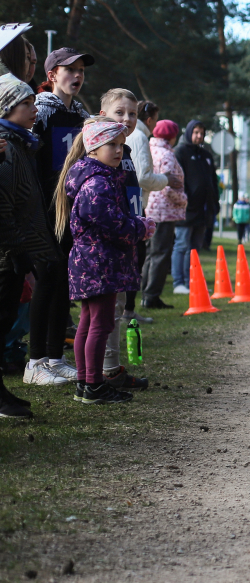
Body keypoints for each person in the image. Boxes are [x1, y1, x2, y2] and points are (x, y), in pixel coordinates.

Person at [55, 118, 154, 404]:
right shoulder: (97, 182)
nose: (118, 150)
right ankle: (95, 385)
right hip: (99, 263)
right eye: (111, 144)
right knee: (100, 324)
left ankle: (86, 383)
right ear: (93, 147)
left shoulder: (96, 176)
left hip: (93, 263)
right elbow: (111, 222)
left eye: (121, 145)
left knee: (88, 322)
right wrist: (141, 228)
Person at [27, 47, 93, 387]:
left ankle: (55, 358)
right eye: (70, 70)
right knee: (47, 279)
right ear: (52, 75)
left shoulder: (81, 115)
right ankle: (34, 361)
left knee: (64, 284)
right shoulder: (41, 111)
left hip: (71, 209)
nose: (77, 75)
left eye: (81, 69)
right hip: (43, 209)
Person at [0, 74, 60, 416]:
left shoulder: (19, 142)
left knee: (5, 317)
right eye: (26, 104)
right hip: (7, 252)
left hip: (16, 249)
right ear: (7, 108)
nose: (34, 109)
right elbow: (4, 205)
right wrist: (15, 250)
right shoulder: (5, 147)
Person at [96, 89, 153, 389]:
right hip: (108, 244)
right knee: (106, 311)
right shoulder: (103, 152)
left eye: (132, 113)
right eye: (119, 112)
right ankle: (102, 372)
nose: (127, 119)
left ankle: (111, 368)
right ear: (103, 114)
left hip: (128, 239)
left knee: (116, 308)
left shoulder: (125, 151)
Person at [141, 120, 186, 309]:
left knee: (151, 254)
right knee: (160, 254)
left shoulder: (150, 149)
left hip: (151, 208)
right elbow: (169, 186)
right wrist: (183, 200)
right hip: (164, 211)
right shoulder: (166, 154)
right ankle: (151, 296)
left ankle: (144, 292)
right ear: (172, 136)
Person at [173, 120, 219, 290]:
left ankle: (192, 281)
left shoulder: (206, 155)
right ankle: (179, 283)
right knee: (182, 246)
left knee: (195, 248)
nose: (199, 136)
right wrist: (185, 200)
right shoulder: (180, 152)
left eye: (202, 133)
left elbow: (213, 181)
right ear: (189, 132)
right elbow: (177, 180)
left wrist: (214, 203)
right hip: (185, 210)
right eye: (196, 132)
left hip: (203, 211)